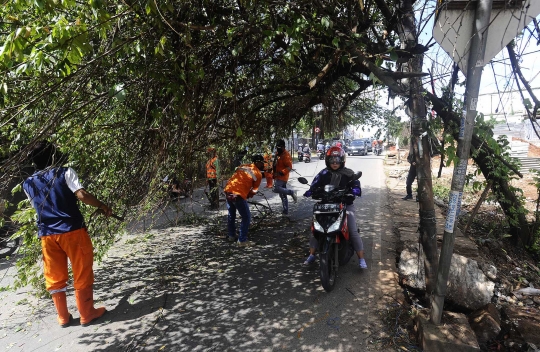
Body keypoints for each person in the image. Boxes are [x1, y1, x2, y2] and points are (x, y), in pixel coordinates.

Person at [22, 141, 111, 328]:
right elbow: (82, 195)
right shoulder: (65, 172)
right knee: (82, 270)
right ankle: (87, 314)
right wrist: (102, 206)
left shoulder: (27, 183)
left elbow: (36, 209)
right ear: (53, 155)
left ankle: (63, 317)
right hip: (72, 230)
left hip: (46, 235)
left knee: (54, 276)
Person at [302, 146, 367, 269]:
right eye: (332, 160)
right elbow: (314, 185)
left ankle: (361, 258)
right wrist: (310, 191)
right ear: (327, 160)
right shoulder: (323, 173)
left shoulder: (348, 173)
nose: (335, 163)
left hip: (345, 205)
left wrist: (355, 190)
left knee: (353, 231)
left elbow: (355, 184)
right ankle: (311, 254)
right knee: (316, 230)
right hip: (325, 206)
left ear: (342, 160)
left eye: (337, 160)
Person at [224, 154, 265, 247]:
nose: (263, 164)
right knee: (246, 217)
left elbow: (237, 177)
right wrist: (248, 195)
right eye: (262, 162)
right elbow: (254, 190)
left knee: (231, 215)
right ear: (257, 162)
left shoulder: (242, 166)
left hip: (228, 191)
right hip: (238, 194)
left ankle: (231, 235)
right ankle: (242, 240)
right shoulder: (258, 174)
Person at [272, 139, 298, 215]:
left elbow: (289, 167)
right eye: (277, 147)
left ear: (283, 147)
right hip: (277, 176)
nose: (278, 148)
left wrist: (282, 172)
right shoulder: (278, 154)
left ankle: (291, 192)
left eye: (280, 147)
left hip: (282, 177)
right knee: (282, 195)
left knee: (276, 188)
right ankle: (285, 211)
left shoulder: (286, 155)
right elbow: (275, 164)